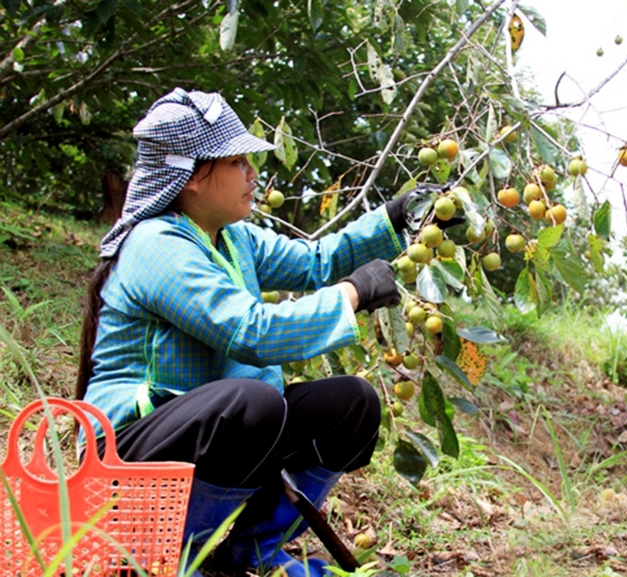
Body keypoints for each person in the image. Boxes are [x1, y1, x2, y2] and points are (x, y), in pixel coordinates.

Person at [75, 88, 439, 577]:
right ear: (191, 176)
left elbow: (315, 262)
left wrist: (395, 217)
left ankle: (253, 552)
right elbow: (250, 332)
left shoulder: (231, 236)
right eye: (237, 161)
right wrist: (354, 294)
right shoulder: (155, 243)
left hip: (204, 433)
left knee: (352, 405)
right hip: (128, 451)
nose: (253, 174)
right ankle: (168, 559)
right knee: (253, 406)